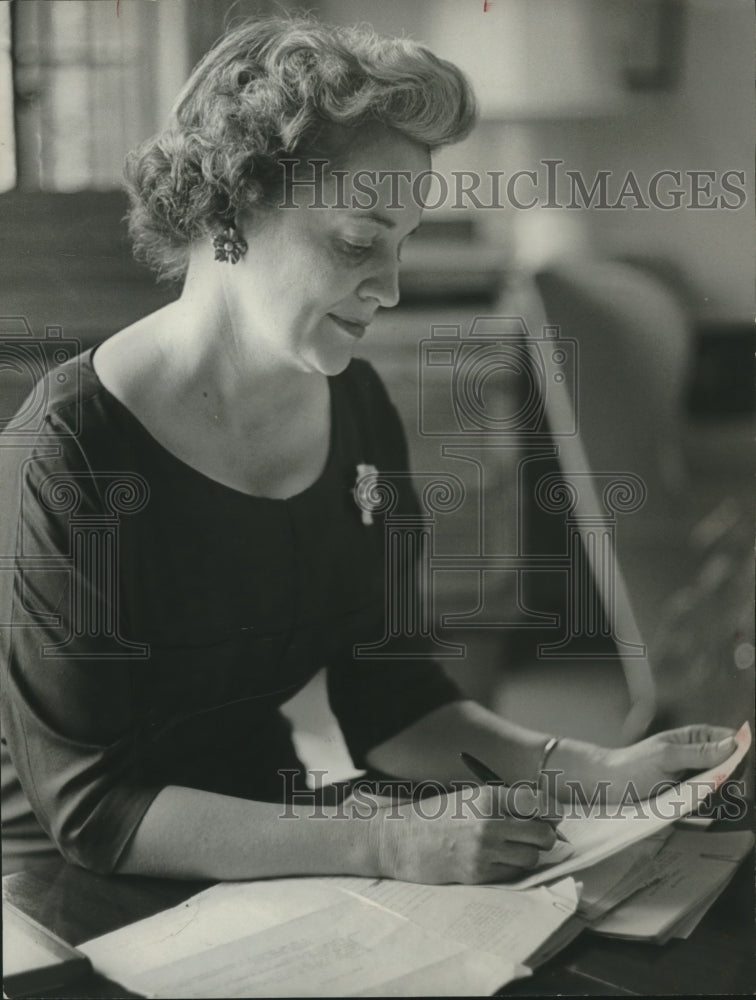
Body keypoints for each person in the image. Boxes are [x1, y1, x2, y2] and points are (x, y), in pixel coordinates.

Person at [0, 15, 736, 884]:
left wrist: (598, 775)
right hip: (61, 887)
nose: (388, 286)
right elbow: (95, 807)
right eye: (358, 240)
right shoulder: (67, 452)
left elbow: (396, 702)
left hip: (271, 846)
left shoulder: (354, 404)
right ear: (236, 204)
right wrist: (388, 842)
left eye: (403, 244)